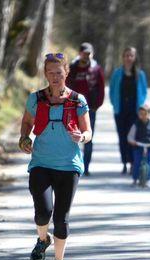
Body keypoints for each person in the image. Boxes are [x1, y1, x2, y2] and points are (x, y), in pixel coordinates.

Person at [18, 52, 92, 260]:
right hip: (41, 163)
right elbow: (27, 123)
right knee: (42, 211)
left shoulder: (78, 100)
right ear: (45, 74)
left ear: (66, 73)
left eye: (59, 72)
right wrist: (24, 139)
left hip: (69, 166)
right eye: (50, 73)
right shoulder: (36, 98)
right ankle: (43, 239)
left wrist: (81, 137)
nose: (55, 77)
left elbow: (88, 132)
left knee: (61, 218)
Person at [66, 42, 105, 176]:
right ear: (79, 53)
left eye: (89, 53)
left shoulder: (96, 69)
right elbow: (65, 85)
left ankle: (86, 166)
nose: (87, 56)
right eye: (84, 53)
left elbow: (101, 88)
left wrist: (96, 105)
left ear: (92, 54)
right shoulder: (72, 68)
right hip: (72, 108)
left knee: (88, 137)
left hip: (90, 109)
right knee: (71, 136)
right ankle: (72, 165)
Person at [109, 47, 147, 175]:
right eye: (126, 55)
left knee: (132, 137)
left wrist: (141, 107)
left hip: (134, 110)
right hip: (120, 110)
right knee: (122, 136)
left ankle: (132, 162)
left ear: (135, 57)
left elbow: (144, 92)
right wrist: (115, 104)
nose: (128, 58)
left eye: (131, 55)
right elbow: (112, 90)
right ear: (123, 57)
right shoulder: (117, 73)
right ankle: (124, 162)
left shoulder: (140, 74)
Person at [127, 104, 150, 187]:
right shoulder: (135, 125)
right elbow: (130, 136)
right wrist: (132, 141)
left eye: (145, 114)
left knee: (149, 162)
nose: (142, 116)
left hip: (149, 146)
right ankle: (135, 179)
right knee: (137, 162)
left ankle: (148, 180)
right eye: (141, 114)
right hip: (138, 146)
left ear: (149, 114)